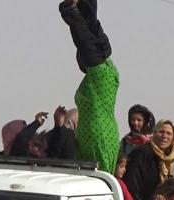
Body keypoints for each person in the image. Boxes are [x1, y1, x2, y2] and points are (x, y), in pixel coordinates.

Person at [59, 0, 119, 173]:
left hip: (97, 133)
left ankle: (75, 8)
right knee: (91, 30)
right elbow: (87, 38)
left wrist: (69, 11)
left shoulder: (101, 74)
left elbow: (85, 41)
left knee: (89, 34)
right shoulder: (101, 73)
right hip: (96, 133)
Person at [123, 119, 174, 200]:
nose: (164, 136)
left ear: (173, 138)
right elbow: (131, 183)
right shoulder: (142, 152)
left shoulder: (165, 160)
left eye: (169, 133)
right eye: (161, 132)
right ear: (154, 133)